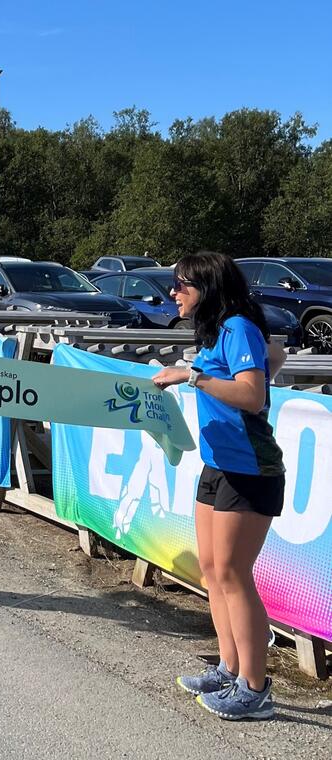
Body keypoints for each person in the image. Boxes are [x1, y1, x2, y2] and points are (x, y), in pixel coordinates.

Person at [153, 250, 287, 722]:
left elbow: (251, 394)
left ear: (207, 287)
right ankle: (230, 670)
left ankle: (255, 687)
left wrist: (193, 376)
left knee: (233, 574)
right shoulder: (221, 329)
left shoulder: (237, 326)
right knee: (211, 571)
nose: (174, 292)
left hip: (251, 471)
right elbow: (277, 354)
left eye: (182, 284)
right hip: (219, 466)